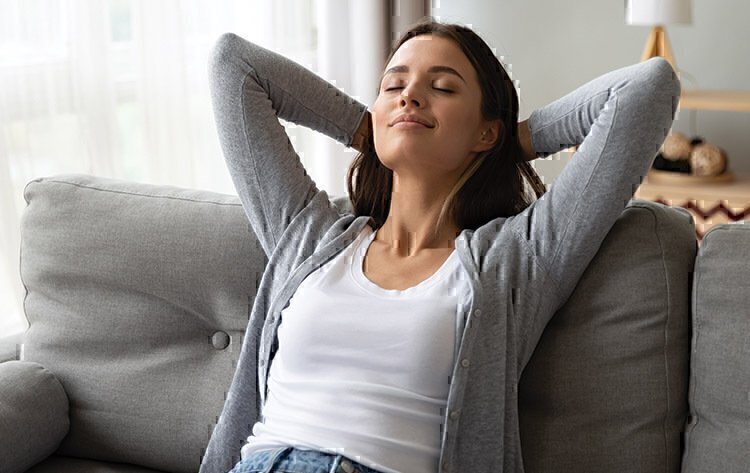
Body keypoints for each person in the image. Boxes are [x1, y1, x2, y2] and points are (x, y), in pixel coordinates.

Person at [201, 18, 680, 473]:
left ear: (485, 129)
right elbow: (234, 65)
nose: (410, 94)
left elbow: (647, 88)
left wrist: (512, 143)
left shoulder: (518, 259)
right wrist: (369, 128)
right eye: (393, 86)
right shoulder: (308, 236)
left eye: (443, 87)